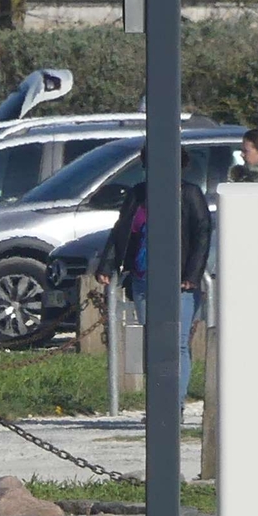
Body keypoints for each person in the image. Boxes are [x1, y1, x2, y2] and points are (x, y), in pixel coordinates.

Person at [94, 164, 213, 404]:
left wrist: (192, 273)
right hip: (143, 278)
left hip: (180, 283)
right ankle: (159, 401)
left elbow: (202, 233)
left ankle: (174, 404)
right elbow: (121, 231)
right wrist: (107, 264)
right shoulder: (138, 194)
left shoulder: (189, 194)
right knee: (154, 342)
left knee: (176, 344)